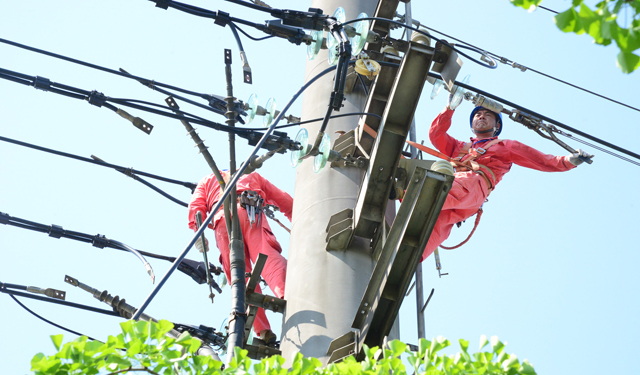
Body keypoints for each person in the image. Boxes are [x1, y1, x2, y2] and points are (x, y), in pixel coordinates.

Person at [421, 99, 592, 261]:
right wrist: (450, 108)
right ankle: (410, 255)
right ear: (472, 125)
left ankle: (413, 197)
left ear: (497, 126)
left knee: (446, 191)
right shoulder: (459, 148)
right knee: (435, 225)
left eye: (488, 115)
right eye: (478, 114)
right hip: (457, 189)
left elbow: (542, 160)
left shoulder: (505, 146)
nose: (481, 116)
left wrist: (570, 161)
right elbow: (436, 134)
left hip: (474, 186)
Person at [188, 170, 293, 345]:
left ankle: (263, 330)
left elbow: (196, 207)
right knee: (267, 256)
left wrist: (199, 234)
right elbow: (283, 200)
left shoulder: (207, 180)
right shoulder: (251, 174)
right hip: (250, 210)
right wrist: (302, 218)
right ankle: (286, 293)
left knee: (238, 275)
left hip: (223, 221)